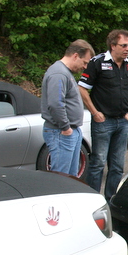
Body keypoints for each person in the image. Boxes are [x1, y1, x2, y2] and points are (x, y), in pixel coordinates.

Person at [79, 29, 128, 200]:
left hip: (122, 122)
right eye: (123, 45)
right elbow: (82, 88)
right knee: (98, 163)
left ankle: (111, 200)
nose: (127, 49)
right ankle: (93, 200)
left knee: (117, 166)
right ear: (113, 46)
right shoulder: (98, 62)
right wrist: (95, 112)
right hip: (103, 122)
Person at [41, 39, 94, 176]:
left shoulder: (65, 73)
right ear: (75, 56)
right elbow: (55, 104)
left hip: (69, 131)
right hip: (61, 132)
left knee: (70, 177)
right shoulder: (58, 74)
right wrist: (66, 128)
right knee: (61, 178)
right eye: (84, 62)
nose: (85, 67)